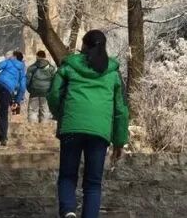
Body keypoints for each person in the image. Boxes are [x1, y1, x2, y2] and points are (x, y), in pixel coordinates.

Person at [48, 30, 129, 218]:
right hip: (99, 132)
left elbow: (53, 94)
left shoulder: (68, 66)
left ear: (83, 45)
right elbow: (121, 110)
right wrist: (119, 141)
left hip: (72, 128)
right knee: (93, 183)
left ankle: (68, 211)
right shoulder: (113, 73)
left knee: (68, 175)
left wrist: (63, 114)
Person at [0, 50, 26, 145]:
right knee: (2, 114)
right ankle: (3, 139)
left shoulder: (9, 62)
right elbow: (22, 88)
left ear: (15, 56)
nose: (10, 56)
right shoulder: (22, 71)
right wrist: (17, 101)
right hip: (8, 90)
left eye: (12, 55)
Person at [26, 49, 56, 123]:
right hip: (46, 92)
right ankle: (43, 128)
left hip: (34, 91)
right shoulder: (51, 68)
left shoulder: (32, 67)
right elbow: (54, 80)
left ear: (37, 57)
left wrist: (29, 89)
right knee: (45, 110)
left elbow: (27, 80)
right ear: (45, 57)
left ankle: (32, 128)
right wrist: (51, 90)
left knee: (33, 110)